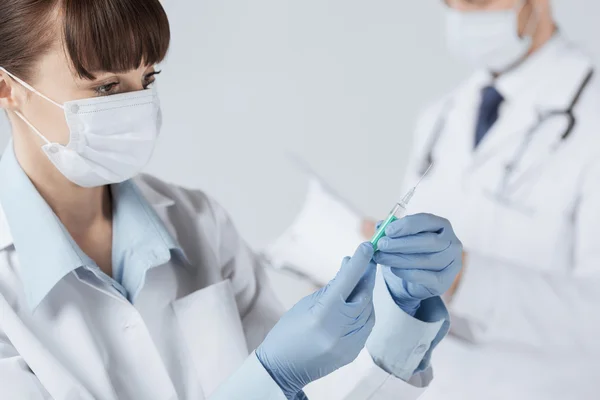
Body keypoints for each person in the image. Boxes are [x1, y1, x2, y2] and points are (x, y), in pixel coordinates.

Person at [0, 1, 464, 399]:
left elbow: (308, 391)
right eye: (104, 87)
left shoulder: (199, 223)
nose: (136, 106)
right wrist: (270, 378)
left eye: (147, 78)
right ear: (9, 89)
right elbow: (273, 379)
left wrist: (401, 317)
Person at [363, 0, 600, 399]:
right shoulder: (440, 116)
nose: (462, 17)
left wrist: (465, 279)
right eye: (450, 3)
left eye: (477, 1)